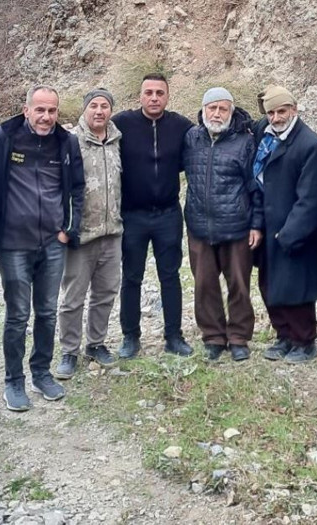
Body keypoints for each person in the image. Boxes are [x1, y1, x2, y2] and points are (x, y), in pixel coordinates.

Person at [0, 85, 84, 409]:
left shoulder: (66, 143)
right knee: (18, 314)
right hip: (13, 245)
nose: (46, 117)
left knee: (47, 313)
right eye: (40, 110)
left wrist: (68, 230)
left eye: (52, 111)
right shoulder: (2, 138)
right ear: (27, 110)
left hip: (52, 244)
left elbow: (77, 187)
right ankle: (13, 381)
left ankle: (41, 373)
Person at [112, 74, 194, 359]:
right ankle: (130, 337)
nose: (154, 97)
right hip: (132, 215)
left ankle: (174, 336)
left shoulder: (181, 126)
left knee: (170, 276)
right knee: (131, 277)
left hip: (168, 214)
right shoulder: (122, 123)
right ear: (140, 96)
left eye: (160, 92)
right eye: (149, 92)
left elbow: (206, 142)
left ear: (168, 96)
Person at [182, 87, 263, 361]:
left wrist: (256, 224)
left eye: (222, 109)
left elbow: (256, 187)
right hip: (199, 227)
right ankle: (213, 337)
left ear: (231, 112)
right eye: (211, 108)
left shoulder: (245, 142)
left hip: (237, 226)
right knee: (204, 284)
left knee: (239, 284)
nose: (216, 114)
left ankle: (239, 337)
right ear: (203, 110)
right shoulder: (191, 138)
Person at [252, 86, 317, 363]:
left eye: (281, 111)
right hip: (268, 225)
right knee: (270, 285)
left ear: (294, 109)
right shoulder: (266, 136)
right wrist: (258, 224)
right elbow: (258, 182)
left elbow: (309, 198)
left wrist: (289, 234)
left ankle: (304, 341)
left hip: (296, 230)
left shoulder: (309, 144)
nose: (275, 117)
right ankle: (283, 336)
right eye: (270, 112)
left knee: (296, 287)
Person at [54, 88, 122, 379]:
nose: (99, 111)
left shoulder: (118, 141)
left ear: (110, 110)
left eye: (104, 106)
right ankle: (69, 350)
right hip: (80, 234)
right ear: (85, 110)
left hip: (113, 232)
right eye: (93, 105)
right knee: (73, 297)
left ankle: (96, 343)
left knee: (105, 293)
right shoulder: (70, 141)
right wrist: (63, 226)